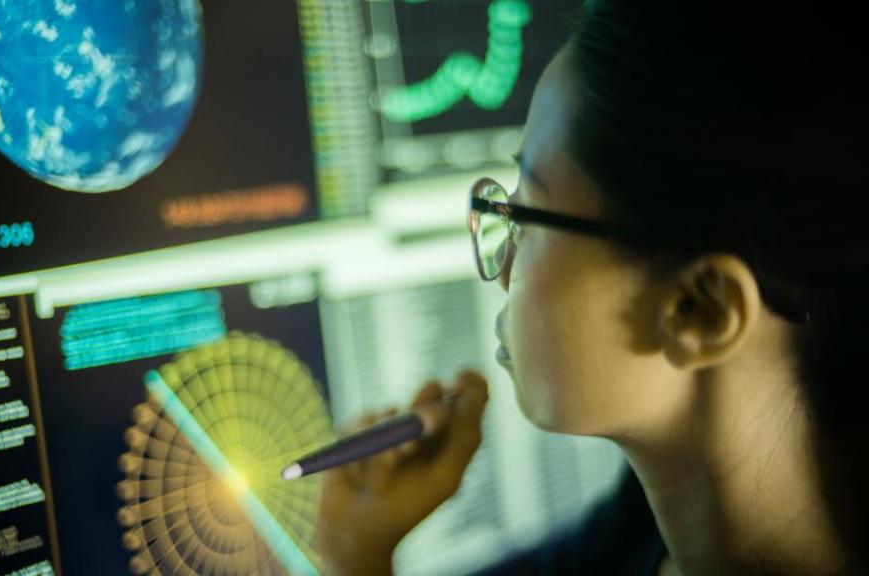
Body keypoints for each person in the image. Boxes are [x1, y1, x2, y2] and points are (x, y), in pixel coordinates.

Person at [315, 1, 868, 574]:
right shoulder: (641, 525)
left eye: (528, 212)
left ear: (699, 310)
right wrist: (357, 550)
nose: (503, 268)